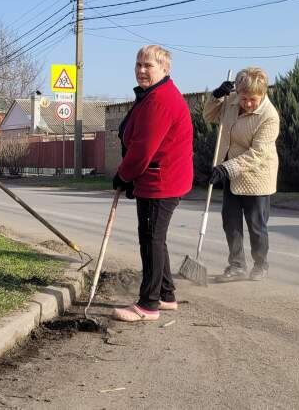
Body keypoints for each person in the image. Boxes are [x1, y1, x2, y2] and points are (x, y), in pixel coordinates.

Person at [110, 45, 194, 322]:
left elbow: (143, 149)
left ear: (165, 69)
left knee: (151, 240)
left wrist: (123, 175)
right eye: (138, 64)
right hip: (161, 178)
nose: (142, 70)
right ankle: (167, 295)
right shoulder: (154, 94)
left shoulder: (159, 99)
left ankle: (148, 304)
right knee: (156, 238)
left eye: (149, 65)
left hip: (161, 181)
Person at [204, 67, 281, 282]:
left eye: (252, 99)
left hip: (257, 175)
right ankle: (237, 266)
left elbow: (258, 154)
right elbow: (208, 116)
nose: (247, 103)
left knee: (256, 225)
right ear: (237, 92)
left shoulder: (269, 116)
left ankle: (260, 264)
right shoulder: (231, 102)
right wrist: (216, 96)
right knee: (230, 221)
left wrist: (225, 168)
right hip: (230, 172)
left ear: (263, 93)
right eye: (243, 97)